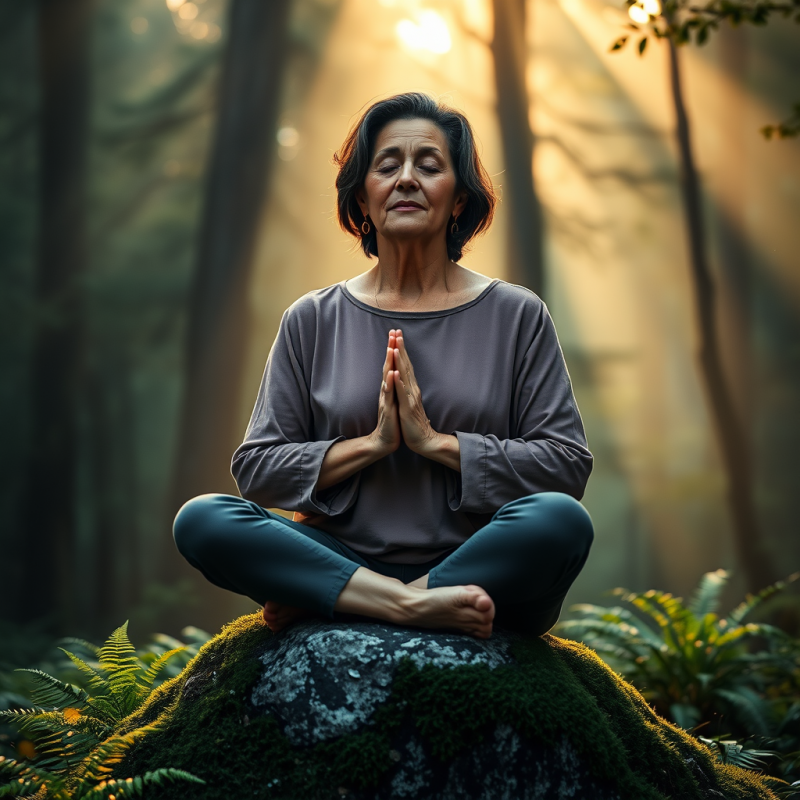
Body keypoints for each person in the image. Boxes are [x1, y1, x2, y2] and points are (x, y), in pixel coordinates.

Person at [173, 93, 594, 640]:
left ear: (459, 199)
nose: (407, 179)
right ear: (363, 197)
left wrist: (434, 443)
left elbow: (565, 465)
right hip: (342, 555)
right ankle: (408, 603)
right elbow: (258, 469)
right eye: (387, 166)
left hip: (479, 560)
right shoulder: (313, 318)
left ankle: (351, 599)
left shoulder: (516, 314)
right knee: (203, 518)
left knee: (561, 521)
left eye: (430, 166)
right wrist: (371, 445)